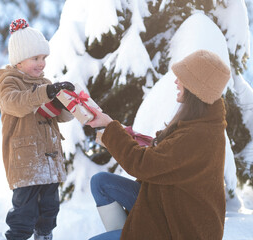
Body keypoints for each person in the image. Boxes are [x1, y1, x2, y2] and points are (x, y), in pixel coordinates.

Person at [87, 49, 231, 240]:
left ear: (195, 87)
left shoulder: (199, 135)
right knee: (101, 183)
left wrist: (110, 127)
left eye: (182, 78)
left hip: (180, 228)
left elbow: (142, 165)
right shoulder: (200, 121)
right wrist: (124, 134)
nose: (176, 81)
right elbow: (169, 155)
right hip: (166, 203)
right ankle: (128, 233)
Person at [0, 19, 75, 240]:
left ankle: (44, 235)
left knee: (50, 210)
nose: (42, 64)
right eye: (35, 58)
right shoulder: (9, 82)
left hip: (49, 161)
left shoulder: (44, 82)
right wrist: (46, 92)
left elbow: (58, 116)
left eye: (44, 58)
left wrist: (64, 102)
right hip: (26, 161)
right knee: (24, 213)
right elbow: (15, 103)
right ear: (19, 61)